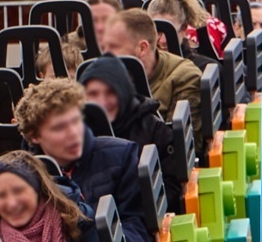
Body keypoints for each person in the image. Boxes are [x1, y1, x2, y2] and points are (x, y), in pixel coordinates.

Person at [14, 77, 150, 242]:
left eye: (76, 121)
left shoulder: (121, 155)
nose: (73, 133)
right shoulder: (20, 177)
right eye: (59, 127)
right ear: (34, 136)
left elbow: (138, 227)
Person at [78, 55, 185, 211]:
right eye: (93, 94)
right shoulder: (75, 133)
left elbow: (172, 186)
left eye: (110, 92)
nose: (102, 102)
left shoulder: (152, 129)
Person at [102, 9, 204, 158]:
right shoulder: (101, 78)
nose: (106, 54)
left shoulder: (183, 77)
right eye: (104, 47)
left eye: (113, 47)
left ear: (142, 48)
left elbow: (184, 149)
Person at [147, 0, 229, 70]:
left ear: (184, 28)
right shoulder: (141, 69)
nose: (162, 41)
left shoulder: (206, 69)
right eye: (157, 31)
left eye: (169, 32)